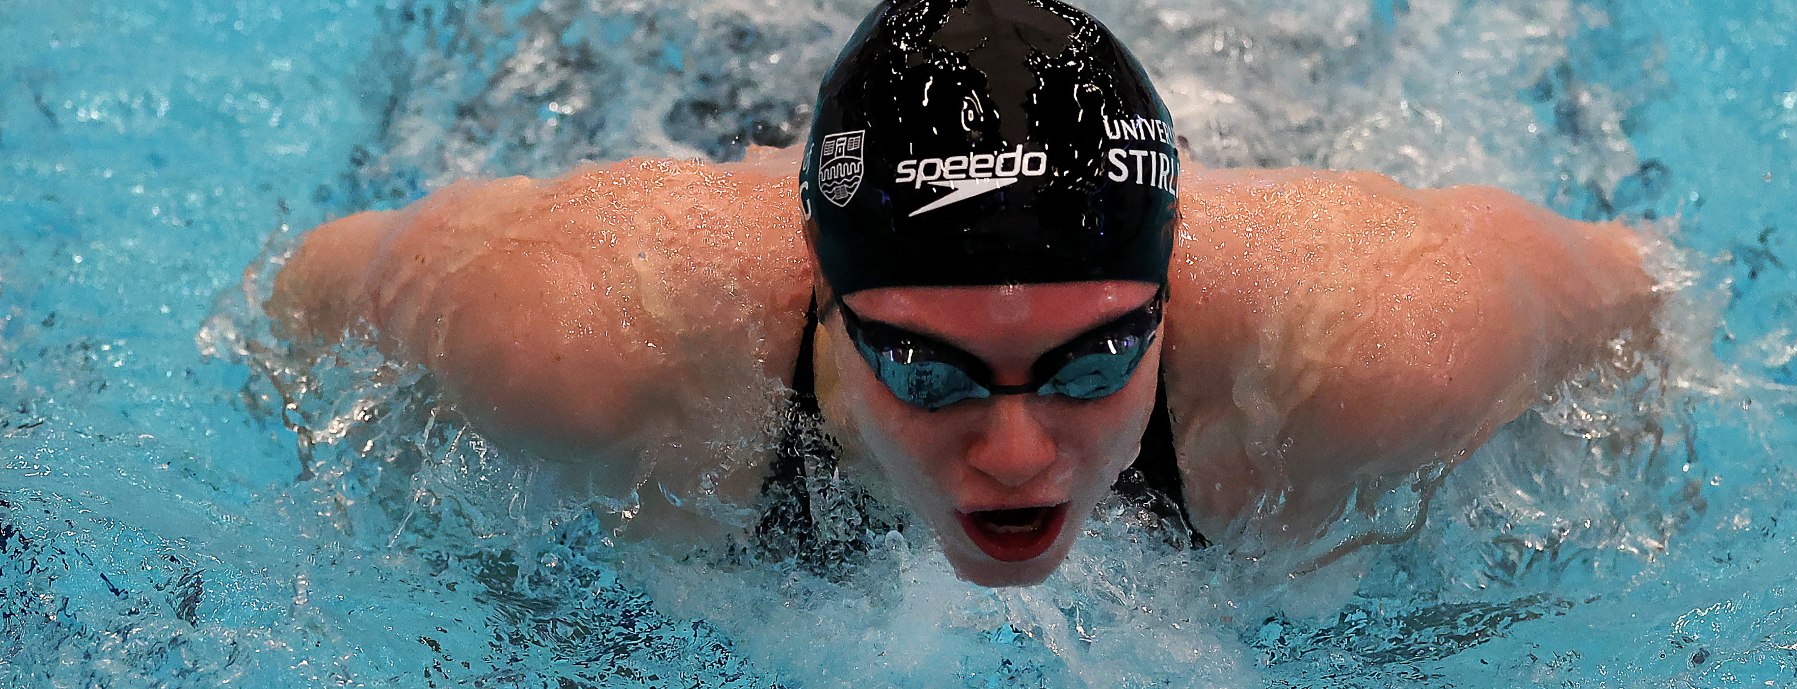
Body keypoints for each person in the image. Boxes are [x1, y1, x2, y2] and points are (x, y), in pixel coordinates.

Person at [267, 0, 1654, 587]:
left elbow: (1642, 300)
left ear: (1169, 304)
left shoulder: (1363, 344)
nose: (1013, 451)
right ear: (826, 297)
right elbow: (305, 297)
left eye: (1091, 359)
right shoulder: (597, 334)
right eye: (929, 371)